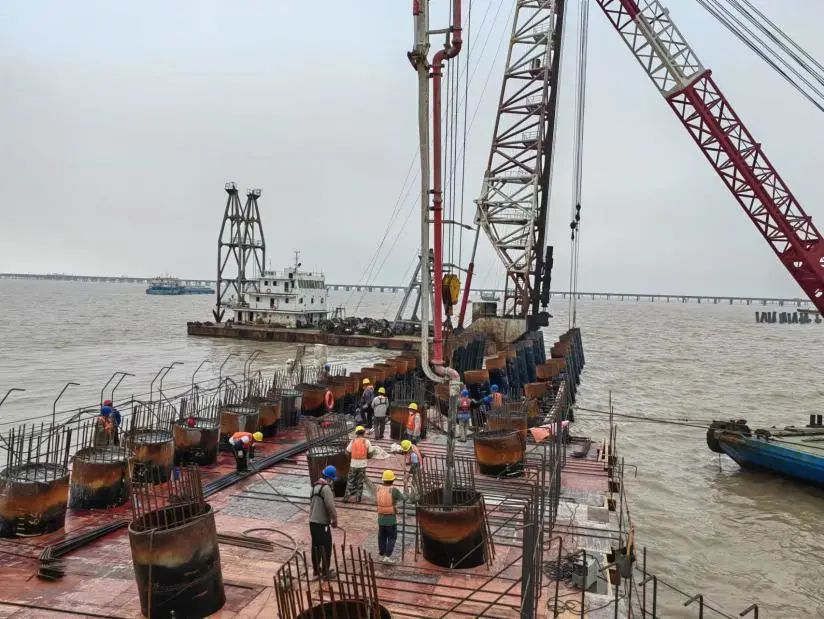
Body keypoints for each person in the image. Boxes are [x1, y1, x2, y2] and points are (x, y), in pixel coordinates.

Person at [375, 470, 411, 564]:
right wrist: (405, 483)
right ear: (392, 480)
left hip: (380, 518)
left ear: (383, 480)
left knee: (381, 537)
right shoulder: (393, 490)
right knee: (392, 537)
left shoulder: (378, 488)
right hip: (390, 520)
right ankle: (387, 557)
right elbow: (405, 497)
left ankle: (381, 555)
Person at [309, 465, 338, 580]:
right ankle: (326, 572)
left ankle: (316, 571)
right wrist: (334, 519)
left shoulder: (314, 487)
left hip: (312, 523)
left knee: (315, 547)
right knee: (326, 547)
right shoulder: (326, 489)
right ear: (329, 478)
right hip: (322, 524)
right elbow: (330, 506)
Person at [344, 426, 372, 503]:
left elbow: (347, 452)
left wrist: (350, 459)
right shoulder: (366, 442)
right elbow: (370, 453)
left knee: (350, 481)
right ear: (363, 433)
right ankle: (358, 499)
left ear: (356, 433)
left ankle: (346, 498)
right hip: (362, 465)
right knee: (360, 482)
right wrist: (368, 456)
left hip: (353, 464)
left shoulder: (353, 441)